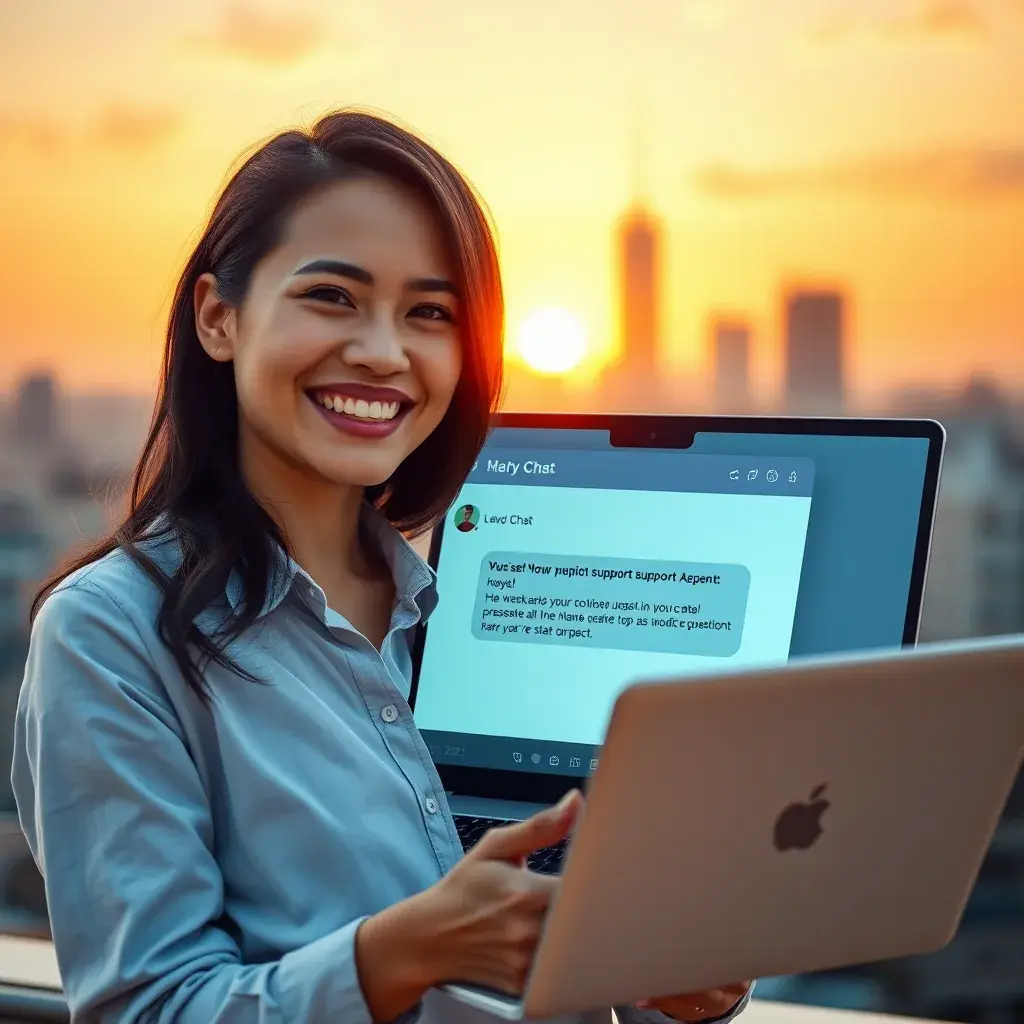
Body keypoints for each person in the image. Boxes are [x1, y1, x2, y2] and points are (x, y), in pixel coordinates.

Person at [11, 110, 752, 1024]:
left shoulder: (474, 617)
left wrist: (675, 988)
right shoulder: (111, 634)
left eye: (430, 313)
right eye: (332, 296)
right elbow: (147, 1009)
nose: (384, 352)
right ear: (218, 317)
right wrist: (399, 955)